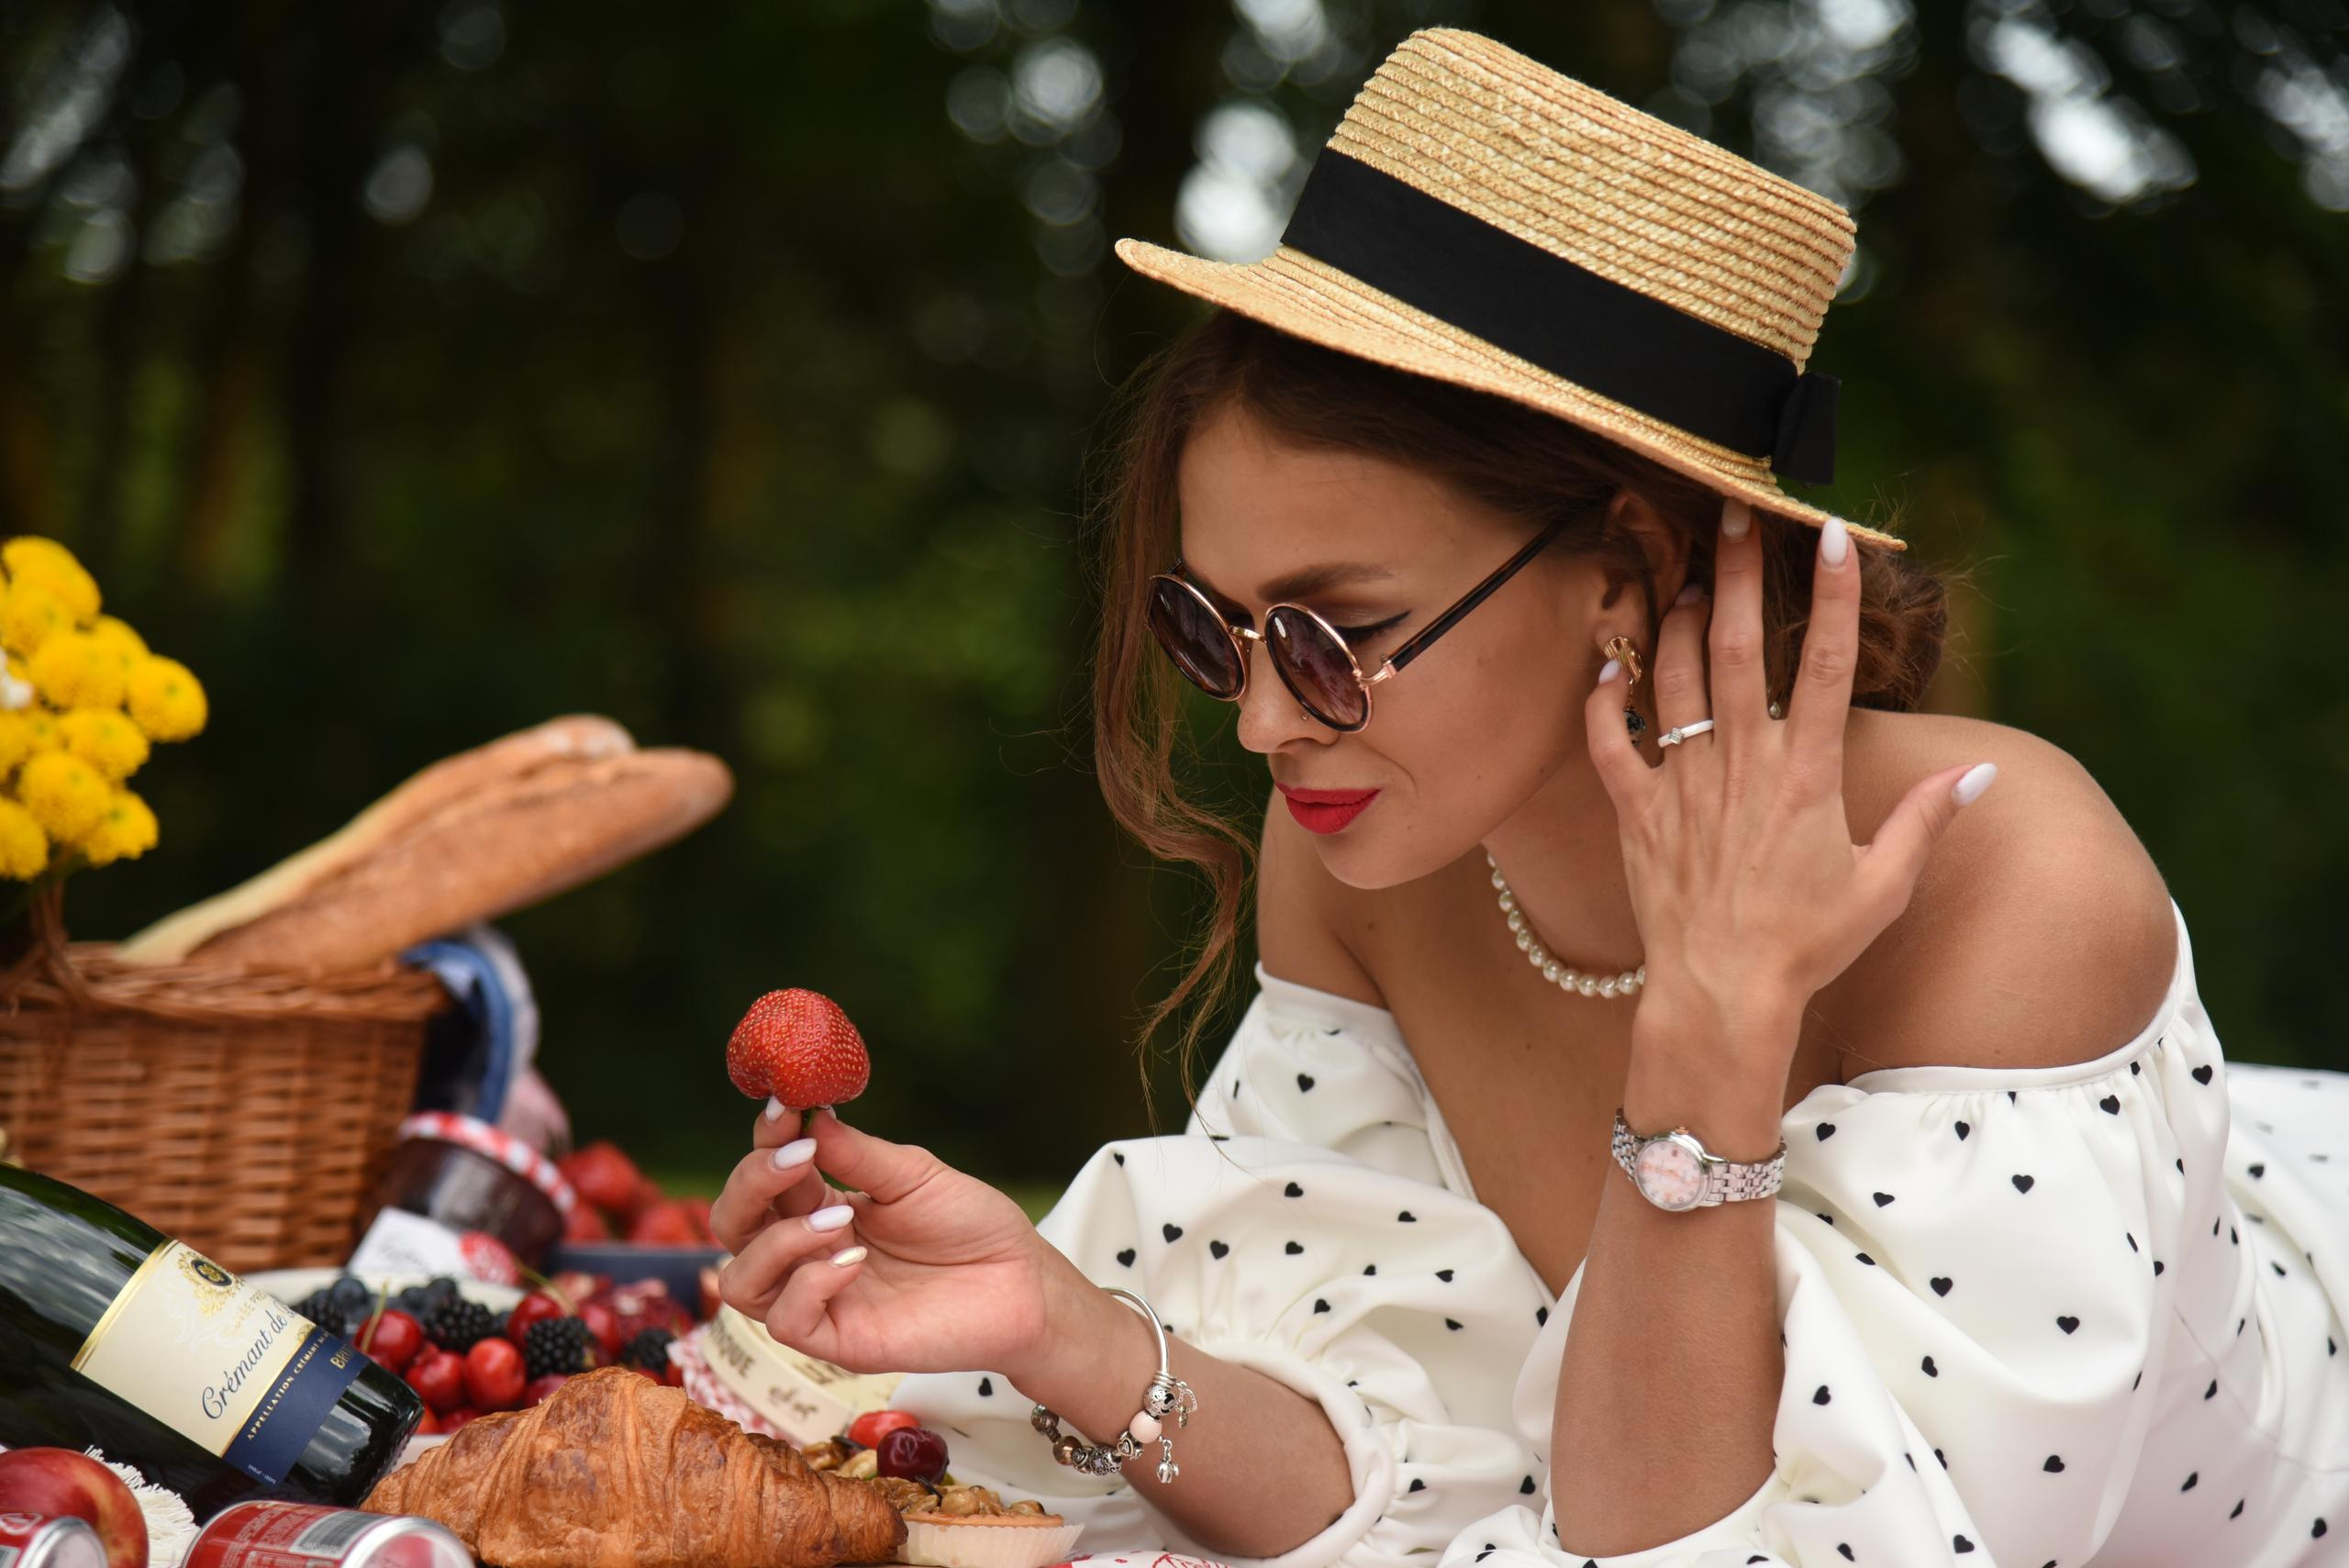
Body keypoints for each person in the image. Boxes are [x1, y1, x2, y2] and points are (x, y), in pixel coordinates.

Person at [707, 26, 2349, 1568]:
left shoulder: (2014, 889)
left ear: (1625, 569)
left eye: (1337, 634)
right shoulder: (1362, 849)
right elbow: (1425, 1468)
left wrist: (1711, 1032)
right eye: (1215, 627)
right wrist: (1051, 1319)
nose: (1268, 720)